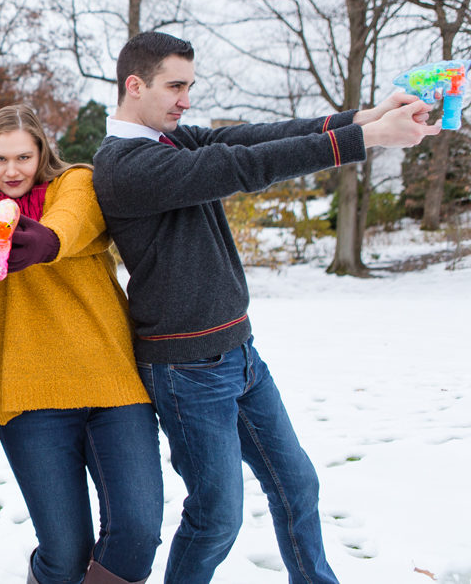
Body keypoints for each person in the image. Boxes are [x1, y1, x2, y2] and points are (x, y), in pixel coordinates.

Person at [92, 31, 441, 584]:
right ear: (134, 85)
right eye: (175, 86)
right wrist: (368, 139)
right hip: (186, 370)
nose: (186, 99)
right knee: (216, 520)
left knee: (296, 484)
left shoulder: (170, 140)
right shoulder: (122, 166)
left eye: (190, 86)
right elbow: (243, 167)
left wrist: (367, 116)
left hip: (239, 353)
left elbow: (257, 138)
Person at [0, 104, 163, 584]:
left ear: (42, 150)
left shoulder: (78, 183)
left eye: (23, 156)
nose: (12, 170)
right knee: (65, 556)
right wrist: (2, 234)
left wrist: (44, 241)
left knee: (139, 532)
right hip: (30, 392)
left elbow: (69, 224)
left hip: (114, 383)